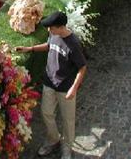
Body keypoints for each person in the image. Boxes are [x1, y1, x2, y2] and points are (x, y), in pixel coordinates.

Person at [15, 11, 87, 159]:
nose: (49, 30)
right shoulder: (54, 35)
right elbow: (49, 46)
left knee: (68, 119)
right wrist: (31, 49)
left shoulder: (73, 44)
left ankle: (67, 146)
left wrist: (74, 88)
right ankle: (53, 139)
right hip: (49, 82)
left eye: (51, 27)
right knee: (46, 113)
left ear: (61, 27)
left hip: (65, 87)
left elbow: (82, 68)